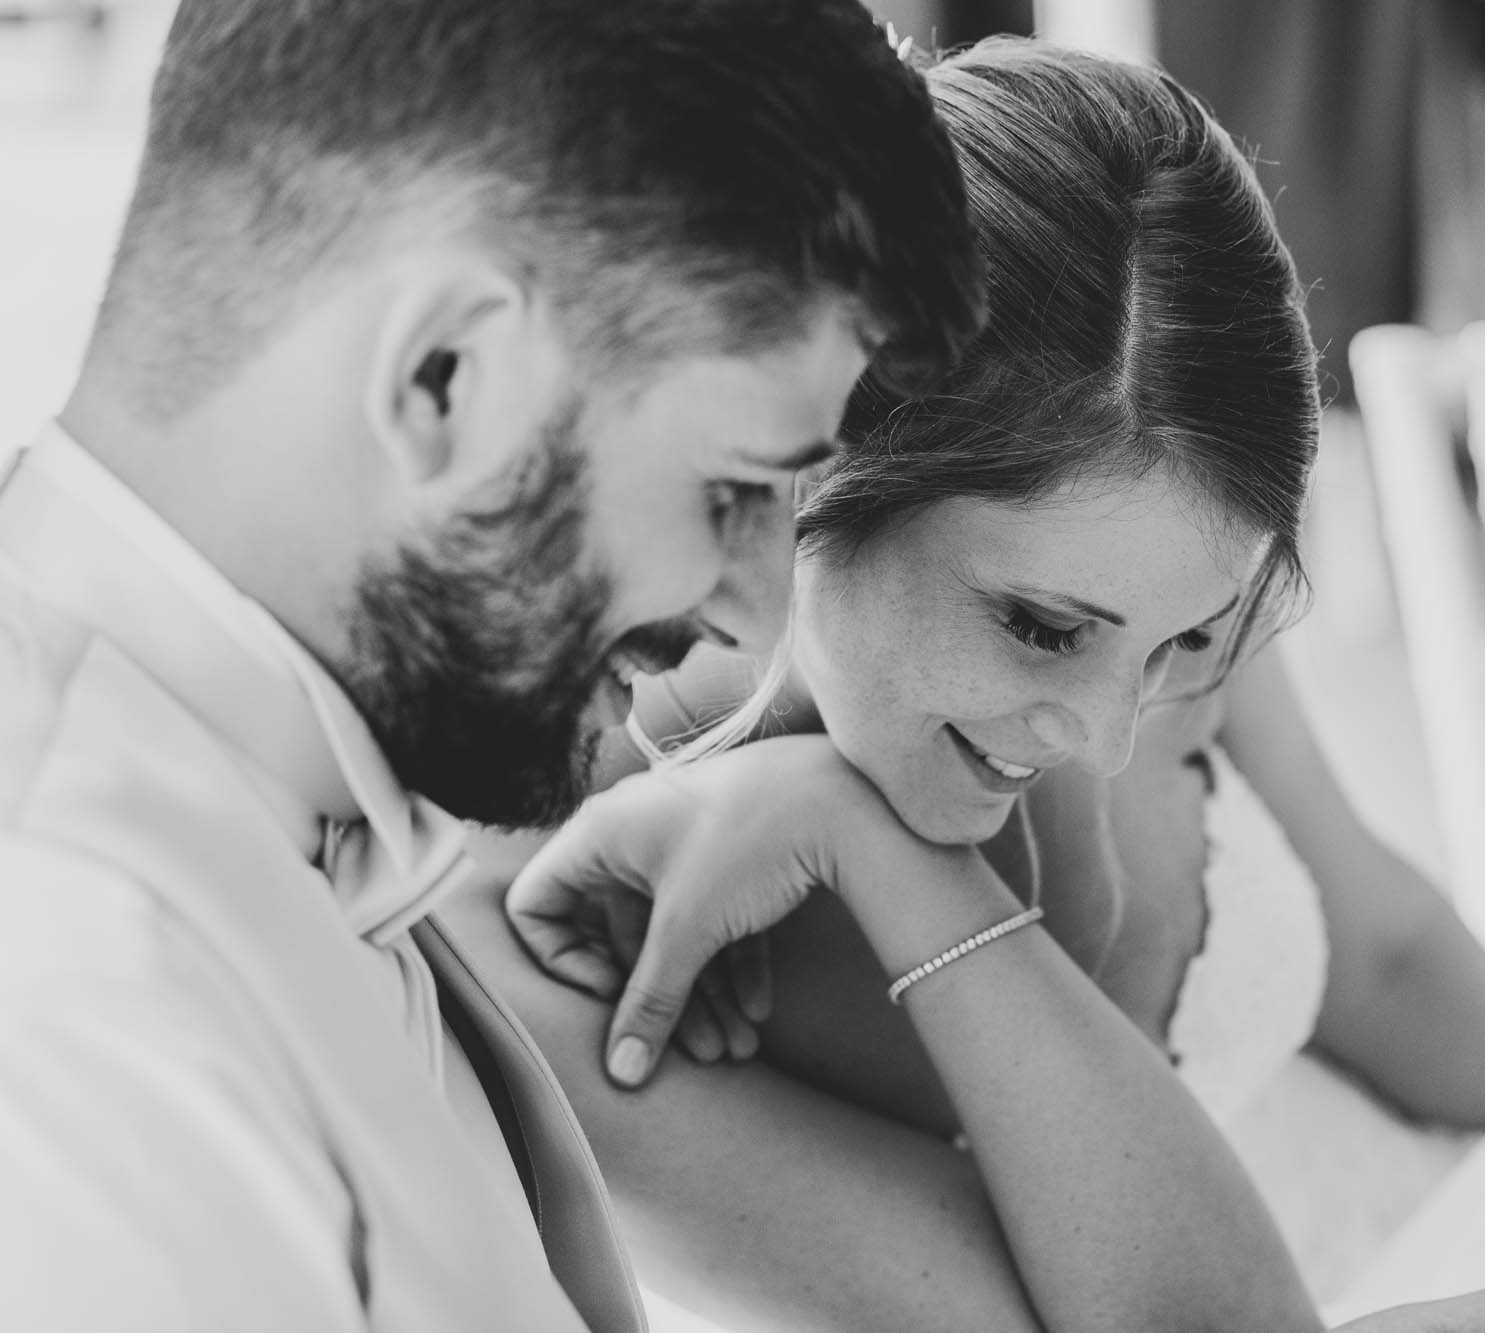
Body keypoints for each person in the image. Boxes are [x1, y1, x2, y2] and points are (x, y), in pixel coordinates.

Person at [487, 39, 1485, 1331]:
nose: (1110, 736)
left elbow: (1382, 955)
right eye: (1043, 631)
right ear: (807, 472)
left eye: (1184, 644)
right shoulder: (555, 918)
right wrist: (873, 851)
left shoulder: (1149, 566)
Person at [0, 1, 983, 1328]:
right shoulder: (80, 994)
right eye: (733, 488)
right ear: (443, 375)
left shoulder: (281, 789)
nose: (760, 617)